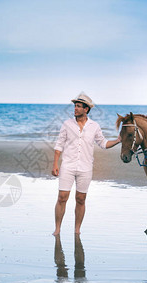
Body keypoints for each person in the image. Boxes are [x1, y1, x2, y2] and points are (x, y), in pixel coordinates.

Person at [52, 92, 121, 236]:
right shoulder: (67, 124)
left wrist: (118, 140)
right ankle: (57, 229)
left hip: (85, 168)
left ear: (86, 109)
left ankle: (77, 230)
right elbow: (59, 145)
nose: (75, 109)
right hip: (68, 166)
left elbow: (103, 143)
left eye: (78, 106)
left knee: (81, 199)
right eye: (75, 106)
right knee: (62, 197)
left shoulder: (94, 126)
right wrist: (55, 165)